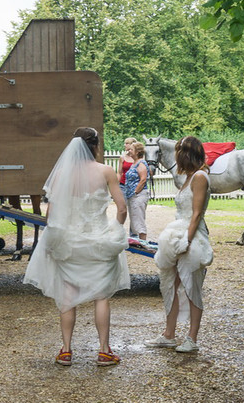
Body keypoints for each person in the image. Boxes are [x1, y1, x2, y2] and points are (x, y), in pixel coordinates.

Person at [24, 127, 129, 367]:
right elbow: (122, 208)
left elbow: (51, 214)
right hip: (99, 241)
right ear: (95, 146)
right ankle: (103, 351)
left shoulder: (61, 174)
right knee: (101, 296)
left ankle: (66, 350)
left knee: (68, 295)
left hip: (69, 243)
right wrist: (115, 229)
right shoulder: (106, 171)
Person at [145, 136, 213, 353]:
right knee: (170, 283)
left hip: (192, 234)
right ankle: (169, 334)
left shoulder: (200, 177)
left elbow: (196, 214)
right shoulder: (188, 176)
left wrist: (187, 241)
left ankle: (192, 338)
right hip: (178, 231)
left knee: (192, 285)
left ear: (185, 154)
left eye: (178, 153)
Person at [123, 141, 150, 241]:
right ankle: (138, 241)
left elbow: (143, 179)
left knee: (139, 219)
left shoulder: (141, 163)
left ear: (137, 152)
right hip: (131, 196)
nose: (129, 151)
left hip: (138, 196)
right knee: (134, 219)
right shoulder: (134, 163)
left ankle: (143, 242)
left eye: (131, 149)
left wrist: (135, 192)